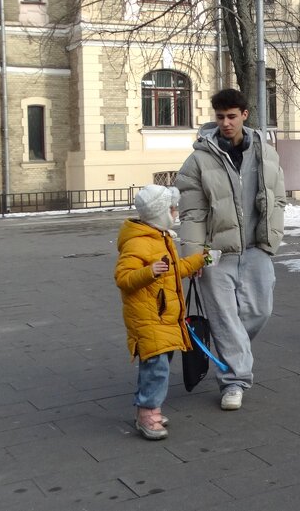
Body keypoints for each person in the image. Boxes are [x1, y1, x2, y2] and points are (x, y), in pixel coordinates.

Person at [176, 88, 286, 411]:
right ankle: (234, 381)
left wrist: (272, 239)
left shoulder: (265, 153)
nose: (225, 123)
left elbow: (278, 197)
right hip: (215, 253)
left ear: (245, 115)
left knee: (260, 310)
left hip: (255, 248)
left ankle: (230, 349)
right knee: (224, 317)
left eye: (232, 116)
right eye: (220, 117)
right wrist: (193, 255)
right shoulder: (198, 160)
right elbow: (192, 212)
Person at [115, 184, 207, 440]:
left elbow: (174, 270)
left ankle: (148, 408)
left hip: (163, 317)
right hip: (149, 318)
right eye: (172, 209)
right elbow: (123, 278)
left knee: (160, 364)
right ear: (159, 213)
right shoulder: (137, 244)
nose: (176, 213)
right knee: (156, 368)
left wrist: (201, 260)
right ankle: (147, 413)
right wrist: (149, 272)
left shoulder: (161, 239)